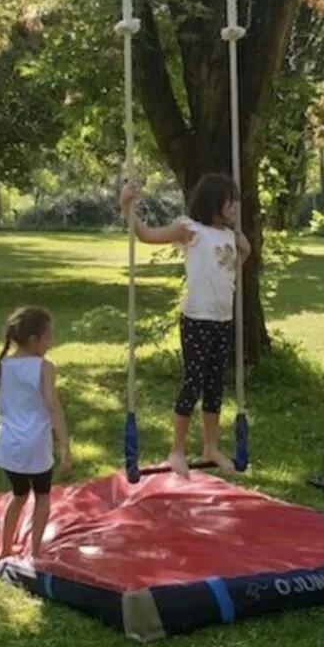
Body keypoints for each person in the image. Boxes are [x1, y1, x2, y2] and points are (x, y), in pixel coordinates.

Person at [119, 173, 250, 479]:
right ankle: (176, 449)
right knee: (194, 381)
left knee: (215, 384)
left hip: (222, 319)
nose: (235, 207)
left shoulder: (230, 235)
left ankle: (210, 447)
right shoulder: (190, 229)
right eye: (230, 201)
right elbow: (147, 235)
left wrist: (244, 250)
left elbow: (231, 267)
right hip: (197, 318)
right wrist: (127, 207)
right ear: (213, 203)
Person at [0, 306, 71, 560]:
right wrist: (65, 444)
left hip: (8, 444)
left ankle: (4, 548)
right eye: (48, 338)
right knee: (43, 497)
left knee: (19, 495)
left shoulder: (0, 366)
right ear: (34, 340)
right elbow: (52, 405)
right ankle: (35, 552)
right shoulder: (44, 367)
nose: (51, 343)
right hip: (36, 445)